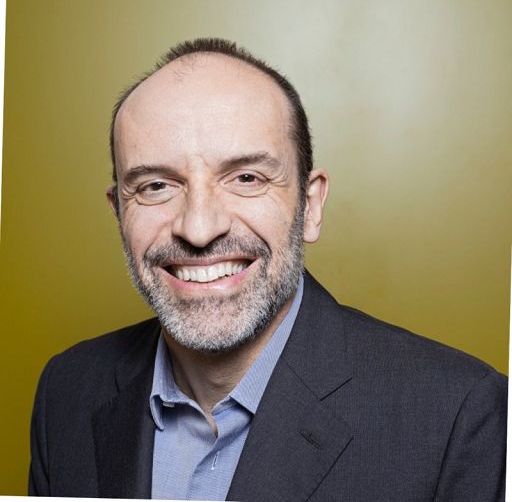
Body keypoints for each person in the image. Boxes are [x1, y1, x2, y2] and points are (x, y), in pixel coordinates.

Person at [29, 38, 506, 502]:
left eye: (246, 178)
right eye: (156, 185)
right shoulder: (66, 391)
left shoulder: (459, 416)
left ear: (310, 206)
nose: (199, 228)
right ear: (119, 213)